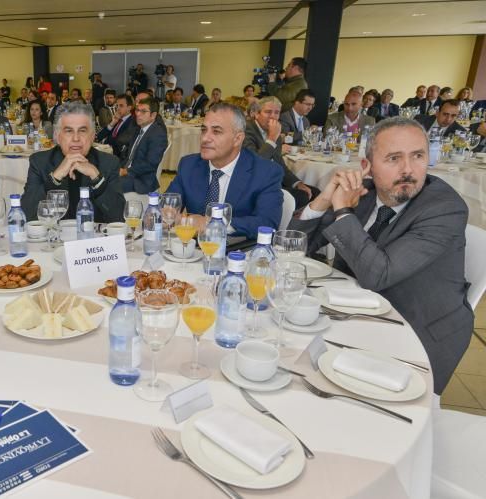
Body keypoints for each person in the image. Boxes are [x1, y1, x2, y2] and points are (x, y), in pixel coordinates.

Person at [288, 117, 472, 394]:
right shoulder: (365, 192)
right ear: (367, 167)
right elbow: (294, 248)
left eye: (418, 156)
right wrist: (325, 199)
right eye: (394, 158)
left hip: (417, 331)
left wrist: (342, 212)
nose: (408, 170)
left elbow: (378, 274)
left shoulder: (444, 208)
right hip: (354, 315)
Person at [166, 102, 283, 239]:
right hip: (192, 251)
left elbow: (267, 224)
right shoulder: (189, 165)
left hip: (237, 254)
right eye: (204, 130)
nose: (205, 138)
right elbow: (167, 206)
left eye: (216, 131)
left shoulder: (265, 172)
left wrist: (212, 223)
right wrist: (165, 215)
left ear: (237, 139)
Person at [21, 101, 124, 223]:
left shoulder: (109, 163)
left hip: (93, 239)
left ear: (92, 136)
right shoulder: (39, 162)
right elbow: (26, 215)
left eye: (82, 131)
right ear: (57, 136)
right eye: (69, 131)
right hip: (54, 238)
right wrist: (55, 178)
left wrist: (97, 179)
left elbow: (118, 218)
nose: (76, 138)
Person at [243, 96, 317, 208]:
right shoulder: (247, 130)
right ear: (257, 114)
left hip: (273, 182)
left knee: (315, 192)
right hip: (254, 186)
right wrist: (272, 138)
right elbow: (255, 164)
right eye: (268, 112)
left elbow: (279, 163)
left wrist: (297, 183)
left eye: (276, 113)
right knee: (303, 197)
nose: (273, 116)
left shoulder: (275, 132)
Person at [120, 98, 168, 195]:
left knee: (109, 185)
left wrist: (125, 171)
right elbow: (129, 157)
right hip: (129, 173)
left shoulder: (158, 134)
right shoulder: (138, 129)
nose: (138, 114)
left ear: (153, 115)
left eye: (143, 111)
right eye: (137, 110)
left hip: (141, 180)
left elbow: (150, 164)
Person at [96, 94, 138, 161]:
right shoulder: (117, 119)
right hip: (105, 152)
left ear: (129, 108)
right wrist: (113, 123)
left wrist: (104, 148)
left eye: (121, 106)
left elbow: (120, 144)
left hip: (115, 157)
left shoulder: (132, 123)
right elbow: (99, 137)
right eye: (117, 105)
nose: (118, 108)